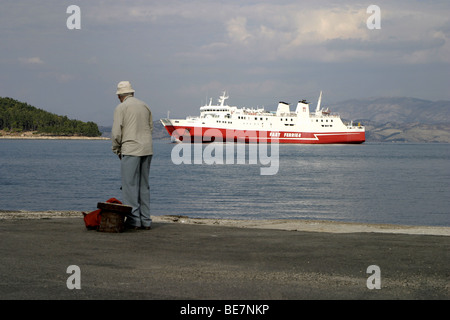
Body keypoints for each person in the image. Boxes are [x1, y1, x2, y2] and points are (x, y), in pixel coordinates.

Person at [112, 81, 153, 230]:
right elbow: (150, 127)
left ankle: (134, 220)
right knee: (144, 186)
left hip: (130, 148)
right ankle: (146, 220)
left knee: (129, 186)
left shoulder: (121, 108)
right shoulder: (145, 106)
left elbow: (117, 132)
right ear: (132, 93)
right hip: (147, 149)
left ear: (120, 96)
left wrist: (117, 149)